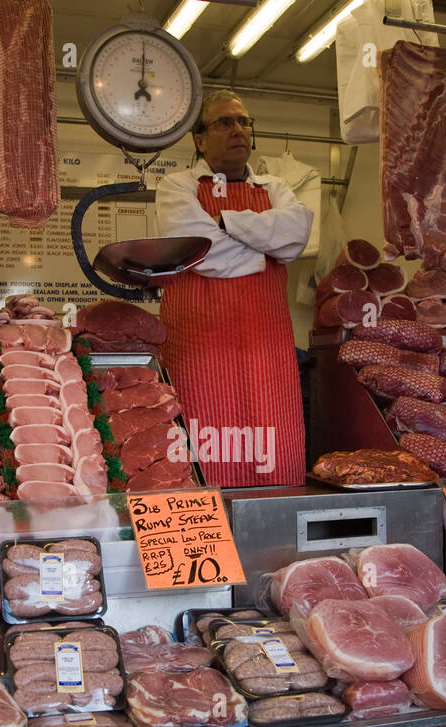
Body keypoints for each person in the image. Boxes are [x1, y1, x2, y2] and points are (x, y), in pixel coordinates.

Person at [154, 90, 313, 487]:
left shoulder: (276, 187)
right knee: (202, 452)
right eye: (224, 123)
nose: (237, 130)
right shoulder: (176, 187)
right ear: (200, 139)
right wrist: (263, 250)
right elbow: (199, 250)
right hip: (198, 348)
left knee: (274, 452)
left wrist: (225, 222)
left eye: (244, 121)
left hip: (267, 349)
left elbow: (296, 235)